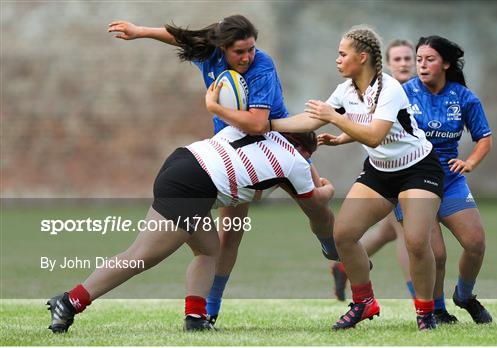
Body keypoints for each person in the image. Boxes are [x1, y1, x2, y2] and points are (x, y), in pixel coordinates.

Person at [108, 15, 336, 326]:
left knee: (319, 207)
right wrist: (140, 32)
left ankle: (333, 249)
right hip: (233, 150)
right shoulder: (209, 53)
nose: (247, 57)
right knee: (230, 236)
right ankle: (210, 309)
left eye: (251, 49)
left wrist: (214, 107)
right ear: (221, 48)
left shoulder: (262, 65)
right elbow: (181, 38)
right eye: (239, 52)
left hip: (279, 142)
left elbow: (258, 124)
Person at [47, 127, 335, 333]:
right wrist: (326, 187)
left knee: (209, 250)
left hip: (183, 160)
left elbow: (250, 188)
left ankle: (196, 317)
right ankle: (70, 301)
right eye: (309, 156)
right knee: (141, 256)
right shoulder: (296, 161)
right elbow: (316, 205)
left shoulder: (254, 131)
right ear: (303, 150)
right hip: (194, 186)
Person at [268, 25, 444, 331]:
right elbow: (311, 118)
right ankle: (364, 302)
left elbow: (374, 136)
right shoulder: (346, 90)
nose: (337, 59)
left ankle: (426, 313)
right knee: (343, 235)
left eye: (342, 53)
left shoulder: (389, 89)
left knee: (416, 242)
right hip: (380, 171)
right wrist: (268, 125)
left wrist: (335, 118)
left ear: (362, 57)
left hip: (419, 169)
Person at [399, 35, 492, 324]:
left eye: (430, 59)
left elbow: (484, 139)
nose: (422, 65)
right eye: (419, 60)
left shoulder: (464, 97)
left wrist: (470, 162)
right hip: (412, 180)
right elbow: (374, 127)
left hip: (450, 180)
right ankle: (436, 309)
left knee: (475, 243)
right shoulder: (403, 93)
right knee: (435, 254)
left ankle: (464, 295)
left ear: (446, 63)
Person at [329, 39, 416, 302]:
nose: (403, 63)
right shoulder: (378, 88)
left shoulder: (415, 91)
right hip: (387, 169)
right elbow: (370, 130)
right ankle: (423, 304)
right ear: (387, 63)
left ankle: (343, 266)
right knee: (404, 231)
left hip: (414, 166)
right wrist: (341, 135)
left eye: (408, 58)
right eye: (397, 59)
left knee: (388, 231)